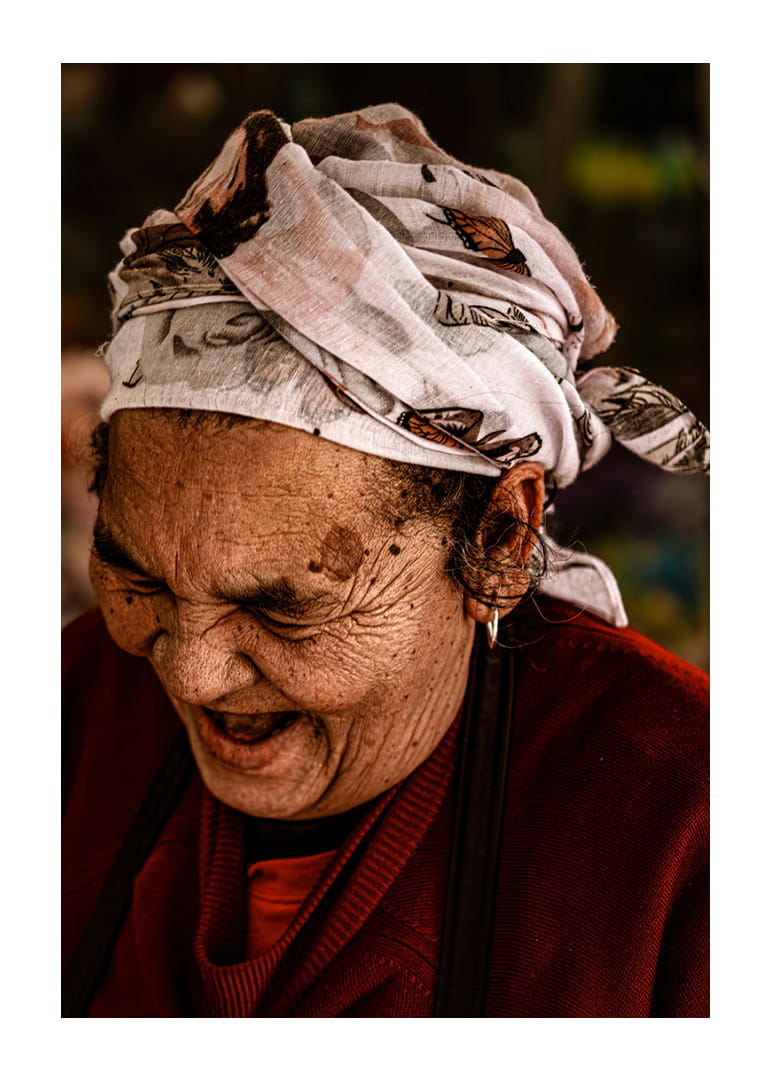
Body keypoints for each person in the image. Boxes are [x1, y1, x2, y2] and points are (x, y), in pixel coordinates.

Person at [61, 103, 709, 1018]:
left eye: (283, 606)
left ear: (498, 541)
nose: (192, 672)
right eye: (140, 578)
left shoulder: (693, 822)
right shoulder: (63, 712)